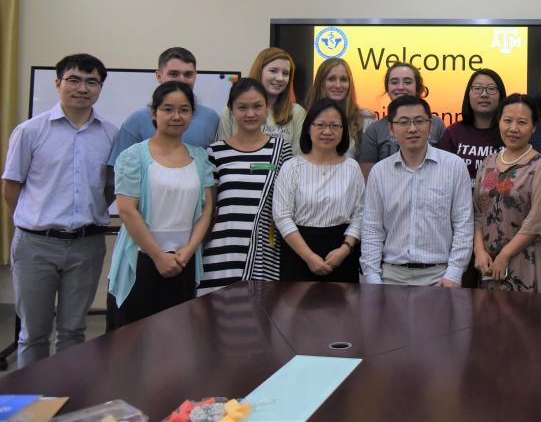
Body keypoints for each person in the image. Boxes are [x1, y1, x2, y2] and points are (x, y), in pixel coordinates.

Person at [1, 54, 117, 367]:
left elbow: (109, 189)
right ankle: (31, 398)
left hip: (86, 245)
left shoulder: (110, 134)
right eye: (74, 80)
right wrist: (32, 221)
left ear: (100, 88)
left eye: (92, 82)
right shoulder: (30, 131)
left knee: (73, 331)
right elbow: (11, 186)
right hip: (35, 244)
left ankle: (67, 394)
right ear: (58, 83)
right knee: (33, 333)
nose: (83, 88)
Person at [108, 81, 215, 328]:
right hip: (141, 260)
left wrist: (188, 251)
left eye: (184, 110)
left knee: (179, 338)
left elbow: (206, 209)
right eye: (168, 109)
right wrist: (157, 256)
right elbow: (126, 210)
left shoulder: (200, 158)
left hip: (183, 260)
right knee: (132, 341)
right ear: (154, 113)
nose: (176, 116)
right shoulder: (133, 156)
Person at [360, 95, 473, 287]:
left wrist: (453, 274)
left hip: (440, 275)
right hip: (390, 276)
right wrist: (373, 278)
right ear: (391, 129)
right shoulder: (380, 172)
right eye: (403, 122)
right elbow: (372, 229)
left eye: (419, 121)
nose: (412, 128)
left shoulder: (454, 166)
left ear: (430, 125)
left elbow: (463, 224)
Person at [198, 79, 293, 295]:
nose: (250, 114)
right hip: (223, 249)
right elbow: (208, 209)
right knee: (218, 311)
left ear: (267, 108)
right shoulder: (215, 152)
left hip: (265, 252)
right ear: (231, 110)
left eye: (257, 106)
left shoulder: (281, 149)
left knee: (262, 311)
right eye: (242, 107)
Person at [273, 98, 364, 283]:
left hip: (342, 255)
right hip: (298, 252)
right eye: (320, 125)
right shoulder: (292, 167)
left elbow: (360, 214)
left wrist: (345, 249)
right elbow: (282, 216)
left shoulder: (352, 167)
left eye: (335, 126)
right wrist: (309, 257)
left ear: (343, 130)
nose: (327, 131)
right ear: (308, 128)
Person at [472, 94, 541, 293]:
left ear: (534, 127)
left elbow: (537, 221)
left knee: (525, 313)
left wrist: (505, 254)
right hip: (488, 265)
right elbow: (477, 213)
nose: (513, 128)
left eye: (522, 122)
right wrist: (479, 250)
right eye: (507, 120)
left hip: (526, 263)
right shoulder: (487, 163)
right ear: (499, 122)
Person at [108, 47, 220, 167]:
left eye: (188, 74)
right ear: (159, 76)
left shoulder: (211, 118)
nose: (182, 80)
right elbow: (119, 170)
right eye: (174, 74)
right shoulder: (135, 121)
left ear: (195, 76)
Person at [359, 63, 445, 178]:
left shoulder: (436, 124)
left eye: (407, 82)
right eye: (394, 82)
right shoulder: (374, 130)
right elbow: (369, 180)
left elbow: (446, 166)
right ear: (387, 88)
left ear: (417, 87)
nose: (400, 87)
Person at [216, 47, 306, 150]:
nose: (280, 78)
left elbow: (298, 157)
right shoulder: (230, 111)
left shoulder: (297, 112)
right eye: (273, 71)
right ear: (259, 71)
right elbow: (222, 152)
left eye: (285, 73)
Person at [439, 69, 506, 181]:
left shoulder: (509, 132)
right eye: (477, 88)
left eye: (491, 89)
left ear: (501, 94)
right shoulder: (453, 133)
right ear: (468, 94)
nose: (484, 94)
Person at [304, 57, 374, 159]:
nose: (338, 85)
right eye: (331, 79)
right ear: (321, 83)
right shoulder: (305, 117)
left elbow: (368, 163)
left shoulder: (366, 119)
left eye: (343, 79)